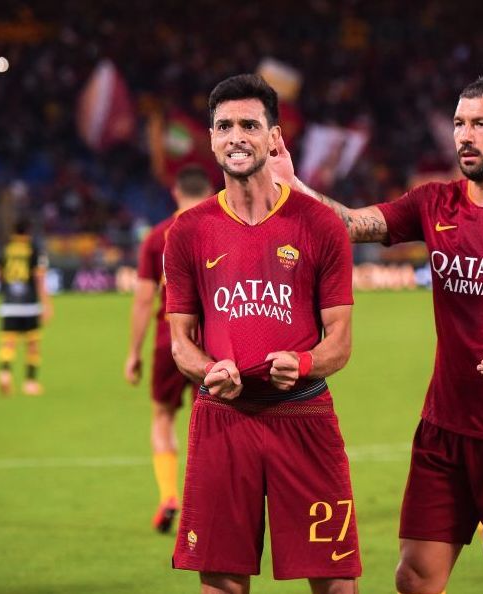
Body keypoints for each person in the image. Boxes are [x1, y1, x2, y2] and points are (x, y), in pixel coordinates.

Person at [271, 75, 483, 594]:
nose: (465, 136)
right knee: (414, 577)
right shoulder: (434, 202)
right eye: (459, 123)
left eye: (481, 124)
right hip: (444, 426)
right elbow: (351, 224)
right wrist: (293, 185)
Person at [163, 74, 361, 594]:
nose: (236, 137)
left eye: (249, 125)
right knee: (222, 582)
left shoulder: (320, 225)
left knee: (336, 581)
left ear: (274, 137)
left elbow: (340, 340)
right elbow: (180, 341)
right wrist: (208, 369)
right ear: (211, 138)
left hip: (303, 414)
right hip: (223, 418)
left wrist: (305, 363)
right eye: (224, 126)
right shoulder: (187, 231)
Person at [124, 164, 213, 534]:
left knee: (162, 416)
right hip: (211, 340)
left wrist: (134, 352)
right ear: (210, 193)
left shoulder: (157, 236)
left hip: (168, 338)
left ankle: (168, 497)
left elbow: (144, 300)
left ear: (176, 193)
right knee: (211, 422)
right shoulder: (218, 228)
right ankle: (205, 502)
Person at [0, 218, 52, 396]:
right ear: (28, 231)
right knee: (33, 344)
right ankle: (30, 383)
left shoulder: (6, 249)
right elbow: (39, 278)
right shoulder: (33, 249)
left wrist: (6, 287)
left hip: (9, 304)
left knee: (8, 343)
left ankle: (5, 373)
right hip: (29, 304)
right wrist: (46, 304)